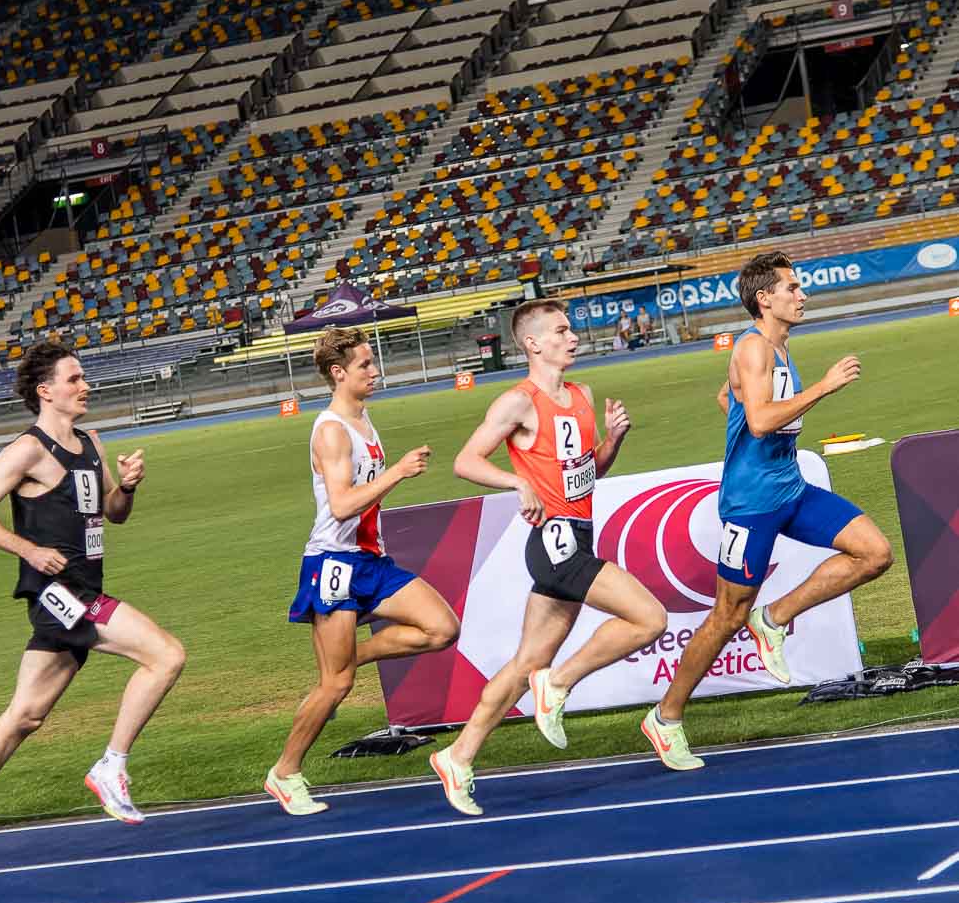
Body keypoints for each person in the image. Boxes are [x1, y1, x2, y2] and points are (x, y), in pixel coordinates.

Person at [0, 341, 186, 878]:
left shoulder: (90, 440)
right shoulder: (27, 450)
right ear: (46, 391)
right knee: (165, 655)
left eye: (83, 376)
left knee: (26, 715)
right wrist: (28, 549)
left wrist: (130, 487)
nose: (85, 385)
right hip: (62, 594)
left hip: (83, 586)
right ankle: (111, 768)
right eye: (74, 378)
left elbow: (112, 514)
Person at [640, 250, 893, 770]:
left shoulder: (775, 348)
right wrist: (822, 387)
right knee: (726, 615)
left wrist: (748, 415)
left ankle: (774, 619)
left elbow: (728, 400)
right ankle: (665, 718)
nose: (803, 295)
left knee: (873, 553)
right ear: (765, 298)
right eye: (793, 288)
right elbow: (757, 422)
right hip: (751, 505)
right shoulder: (754, 348)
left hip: (790, 489)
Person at [429, 300, 667, 816]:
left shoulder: (581, 395)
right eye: (561, 330)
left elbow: (588, 474)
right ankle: (556, 685)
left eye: (572, 328)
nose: (574, 337)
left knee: (526, 662)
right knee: (649, 618)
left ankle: (458, 756)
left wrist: (613, 440)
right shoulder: (519, 401)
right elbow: (465, 461)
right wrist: (517, 481)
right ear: (533, 343)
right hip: (552, 541)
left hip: (579, 534)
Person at [264, 325, 459, 815]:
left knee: (441, 628)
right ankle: (285, 773)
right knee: (336, 685)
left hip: (369, 559)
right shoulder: (332, 430)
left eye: (373, 362)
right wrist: (397, 473)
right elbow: (342, 504)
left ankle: (352, 654)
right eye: (365, 365)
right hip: (333, 563)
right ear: (338, 373)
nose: (375, 371)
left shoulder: (364, 420)